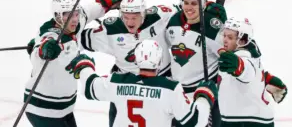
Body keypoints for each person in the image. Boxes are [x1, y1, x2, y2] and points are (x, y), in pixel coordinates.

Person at [24, 0, 125, 127]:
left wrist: (105, 3)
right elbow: (38, 54)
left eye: (76, 14)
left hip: (64, 108)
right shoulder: (51, 35)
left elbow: (88, 12)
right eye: (69, 15)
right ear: (57, 16)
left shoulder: (74, 24)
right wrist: (44, 50)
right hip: (42, 109)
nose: (74, 19)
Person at [65, 39, 218, 127]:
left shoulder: (117, 81)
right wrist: (204, 97)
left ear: (136, 59)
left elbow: (89, 87)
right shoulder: (171, 89)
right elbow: (196, 121)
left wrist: (85, 66)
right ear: (159, 61)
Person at [165, 0, 227, 127]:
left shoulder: (213, 29)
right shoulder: (173, 21)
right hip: (178, 94)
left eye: (194, 3)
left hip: (204, 94)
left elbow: (227, 56)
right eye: (186, 2)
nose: (189, 8)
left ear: (204, 4)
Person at [217, 17, 283, 127]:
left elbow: (246, 72)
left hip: (248, 121)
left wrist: (238, 66)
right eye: (224, 35)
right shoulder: (250, 55)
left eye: (230, 37)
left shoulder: (243, 58)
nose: (225, 40)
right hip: (247, 118)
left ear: (242, 41)